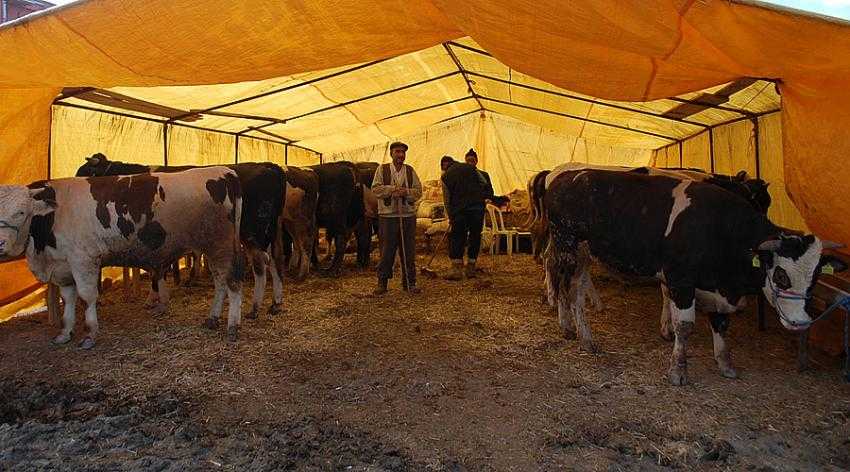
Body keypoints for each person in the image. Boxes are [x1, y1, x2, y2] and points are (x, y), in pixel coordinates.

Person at [371, 141, 423, 295]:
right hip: (388, 216)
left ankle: (410, 282)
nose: (401, 155)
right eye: (397, 152)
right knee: (386, 250)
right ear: (391, 154)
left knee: (408, 250)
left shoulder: (410, 171)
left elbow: (418, 191)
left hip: (407, 216)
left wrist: (406, 192)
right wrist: (392, 190)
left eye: (403, 152)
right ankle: (382, 282)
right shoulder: (382, 169)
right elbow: (375, 189)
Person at [440, 155, 494, 280]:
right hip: (477, 208)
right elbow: (483, 183)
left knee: (458, 236)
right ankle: (471, 267)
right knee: (475, 235)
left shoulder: (445, 176)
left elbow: (446, 200)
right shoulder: (471, 168)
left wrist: (450, 216)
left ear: (445, 168)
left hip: (460, 210)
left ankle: (456, 270)